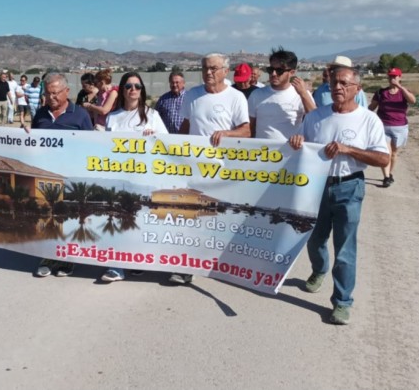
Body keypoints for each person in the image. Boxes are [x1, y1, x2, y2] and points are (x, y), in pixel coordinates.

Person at [290, 65, 389, 324]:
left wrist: (350, 150)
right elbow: (299, 148)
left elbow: (382, 158)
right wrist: (296, 143)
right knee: (314, 238)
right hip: (317, 187)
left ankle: (342, 302)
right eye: (334, 83)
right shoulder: (315, 117)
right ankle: (319, 269)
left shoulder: (369, 120)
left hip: (349, 187)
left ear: (358, 88)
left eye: (344, 84)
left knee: (345, 248)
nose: (338, 88)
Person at [175, 53, 250, 284]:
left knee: (219, 218)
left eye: (214, 69)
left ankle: (220, 262)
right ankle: (187, 266)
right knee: (191, 217)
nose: (209, 73)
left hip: (222, 170)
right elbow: (186, 127)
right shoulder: (192, 96)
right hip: (194, 169)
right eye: (205, 68)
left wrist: (227, 133)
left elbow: (246, 130)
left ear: (225, 71)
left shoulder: (236, 97)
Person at [100, 72, 168, 283]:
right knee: (119, 218)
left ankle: (137, 261)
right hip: (119, 177)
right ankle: (116, 266)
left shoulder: (152, 115)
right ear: (122, 89)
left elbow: (167, 144)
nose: (133, 90)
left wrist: (153, 139)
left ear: (142, 90)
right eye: (128, 86)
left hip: (144, 178)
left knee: (139, 221)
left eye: (137, 86)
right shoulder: (112, 117)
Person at [30, 73, 93, 277]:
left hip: (72, 177)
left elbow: (90, 146)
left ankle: (67, 260)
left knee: (69, 218)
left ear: (67, 91)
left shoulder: (80, 115)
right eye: (48, 94)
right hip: (47, 177)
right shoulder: (39, 114)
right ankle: (48, 256)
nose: (51, 98)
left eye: (55, 93)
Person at [248, 47, 316, 140]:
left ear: (292, 72)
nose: (274, 74)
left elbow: (315, 119)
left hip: (290, 152)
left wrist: (303, 94)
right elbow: (250, 127)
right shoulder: (256, 94)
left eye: (279, 71)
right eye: (271, 69)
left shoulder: (301, 94)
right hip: (263, 152)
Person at [369, 67, 417, 187]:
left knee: (394, 154)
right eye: (390, 76)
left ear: (400, 77)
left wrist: (400, 87)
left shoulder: (403, 92)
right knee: (386, 153)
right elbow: (372, 107)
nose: (392, 79)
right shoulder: (381, 92)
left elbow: (412, 100)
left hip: (399, 127)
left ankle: (390, 174)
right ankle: (386, 177)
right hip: (383, 126)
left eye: (395, 76)